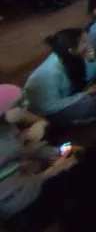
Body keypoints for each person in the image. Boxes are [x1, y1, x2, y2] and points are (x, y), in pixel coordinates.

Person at [0, 85, 79, 226]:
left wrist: (52, 152)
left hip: (27, 178)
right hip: (18, 206)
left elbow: (26, 146)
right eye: (20, 105)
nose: (25, 106)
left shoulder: (7, 126)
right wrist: (51, 172)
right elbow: (13, 197)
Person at [23, 28, 96, 125]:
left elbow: (88, 76)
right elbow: (49, 107)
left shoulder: (69, 56)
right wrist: (83, 94)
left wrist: (92, 59)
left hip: (69, 94)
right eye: (84, 42)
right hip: (49, 112)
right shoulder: (51, 72)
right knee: (94, 100)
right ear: (72, 50)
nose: (89, 43)